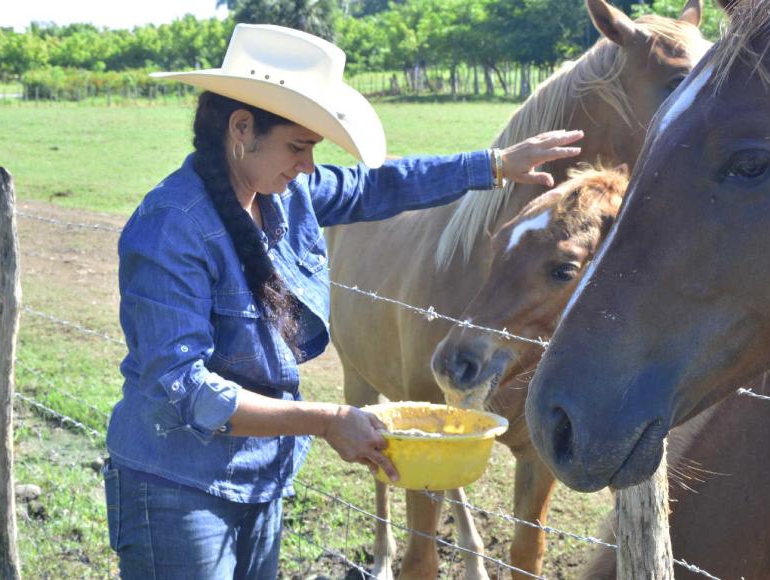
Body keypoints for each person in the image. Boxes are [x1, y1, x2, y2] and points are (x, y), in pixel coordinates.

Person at [103, 23, 583, 579]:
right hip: (177, 489)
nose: (308, 165)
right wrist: (327, 419)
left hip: (259, 478)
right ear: (241, 128)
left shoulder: (281, 195)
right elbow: (182, 388)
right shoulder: (171, 228)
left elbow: (377, 186)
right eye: (298, 145)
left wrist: (495, 165)